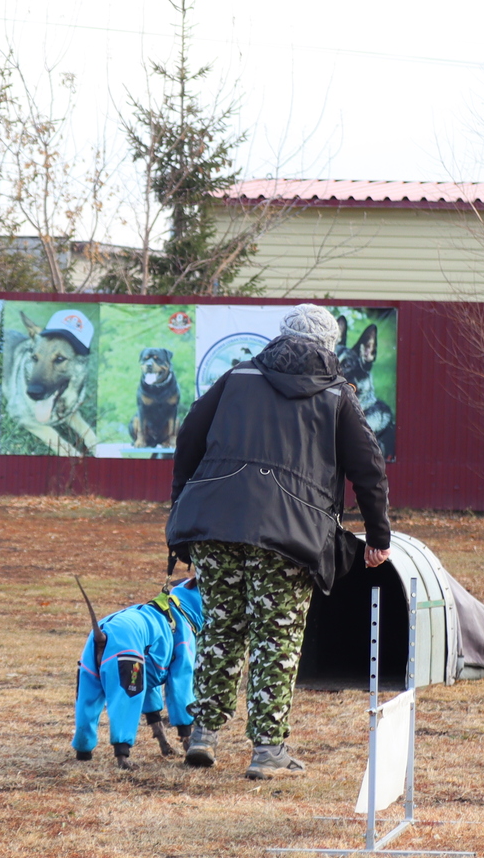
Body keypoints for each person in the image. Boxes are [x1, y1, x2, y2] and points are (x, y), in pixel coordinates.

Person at [165, 303, 392, 778]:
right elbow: (368, 468)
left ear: (282, 337)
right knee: (277, 637)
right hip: (287, 534)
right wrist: (377, 536)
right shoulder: (337, 394)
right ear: (329, 344)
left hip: (215, 523)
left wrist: (182, 504)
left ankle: (204, 733)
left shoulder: (237, 377)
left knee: (221, 628)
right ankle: (267, 751)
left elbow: (188, 437)